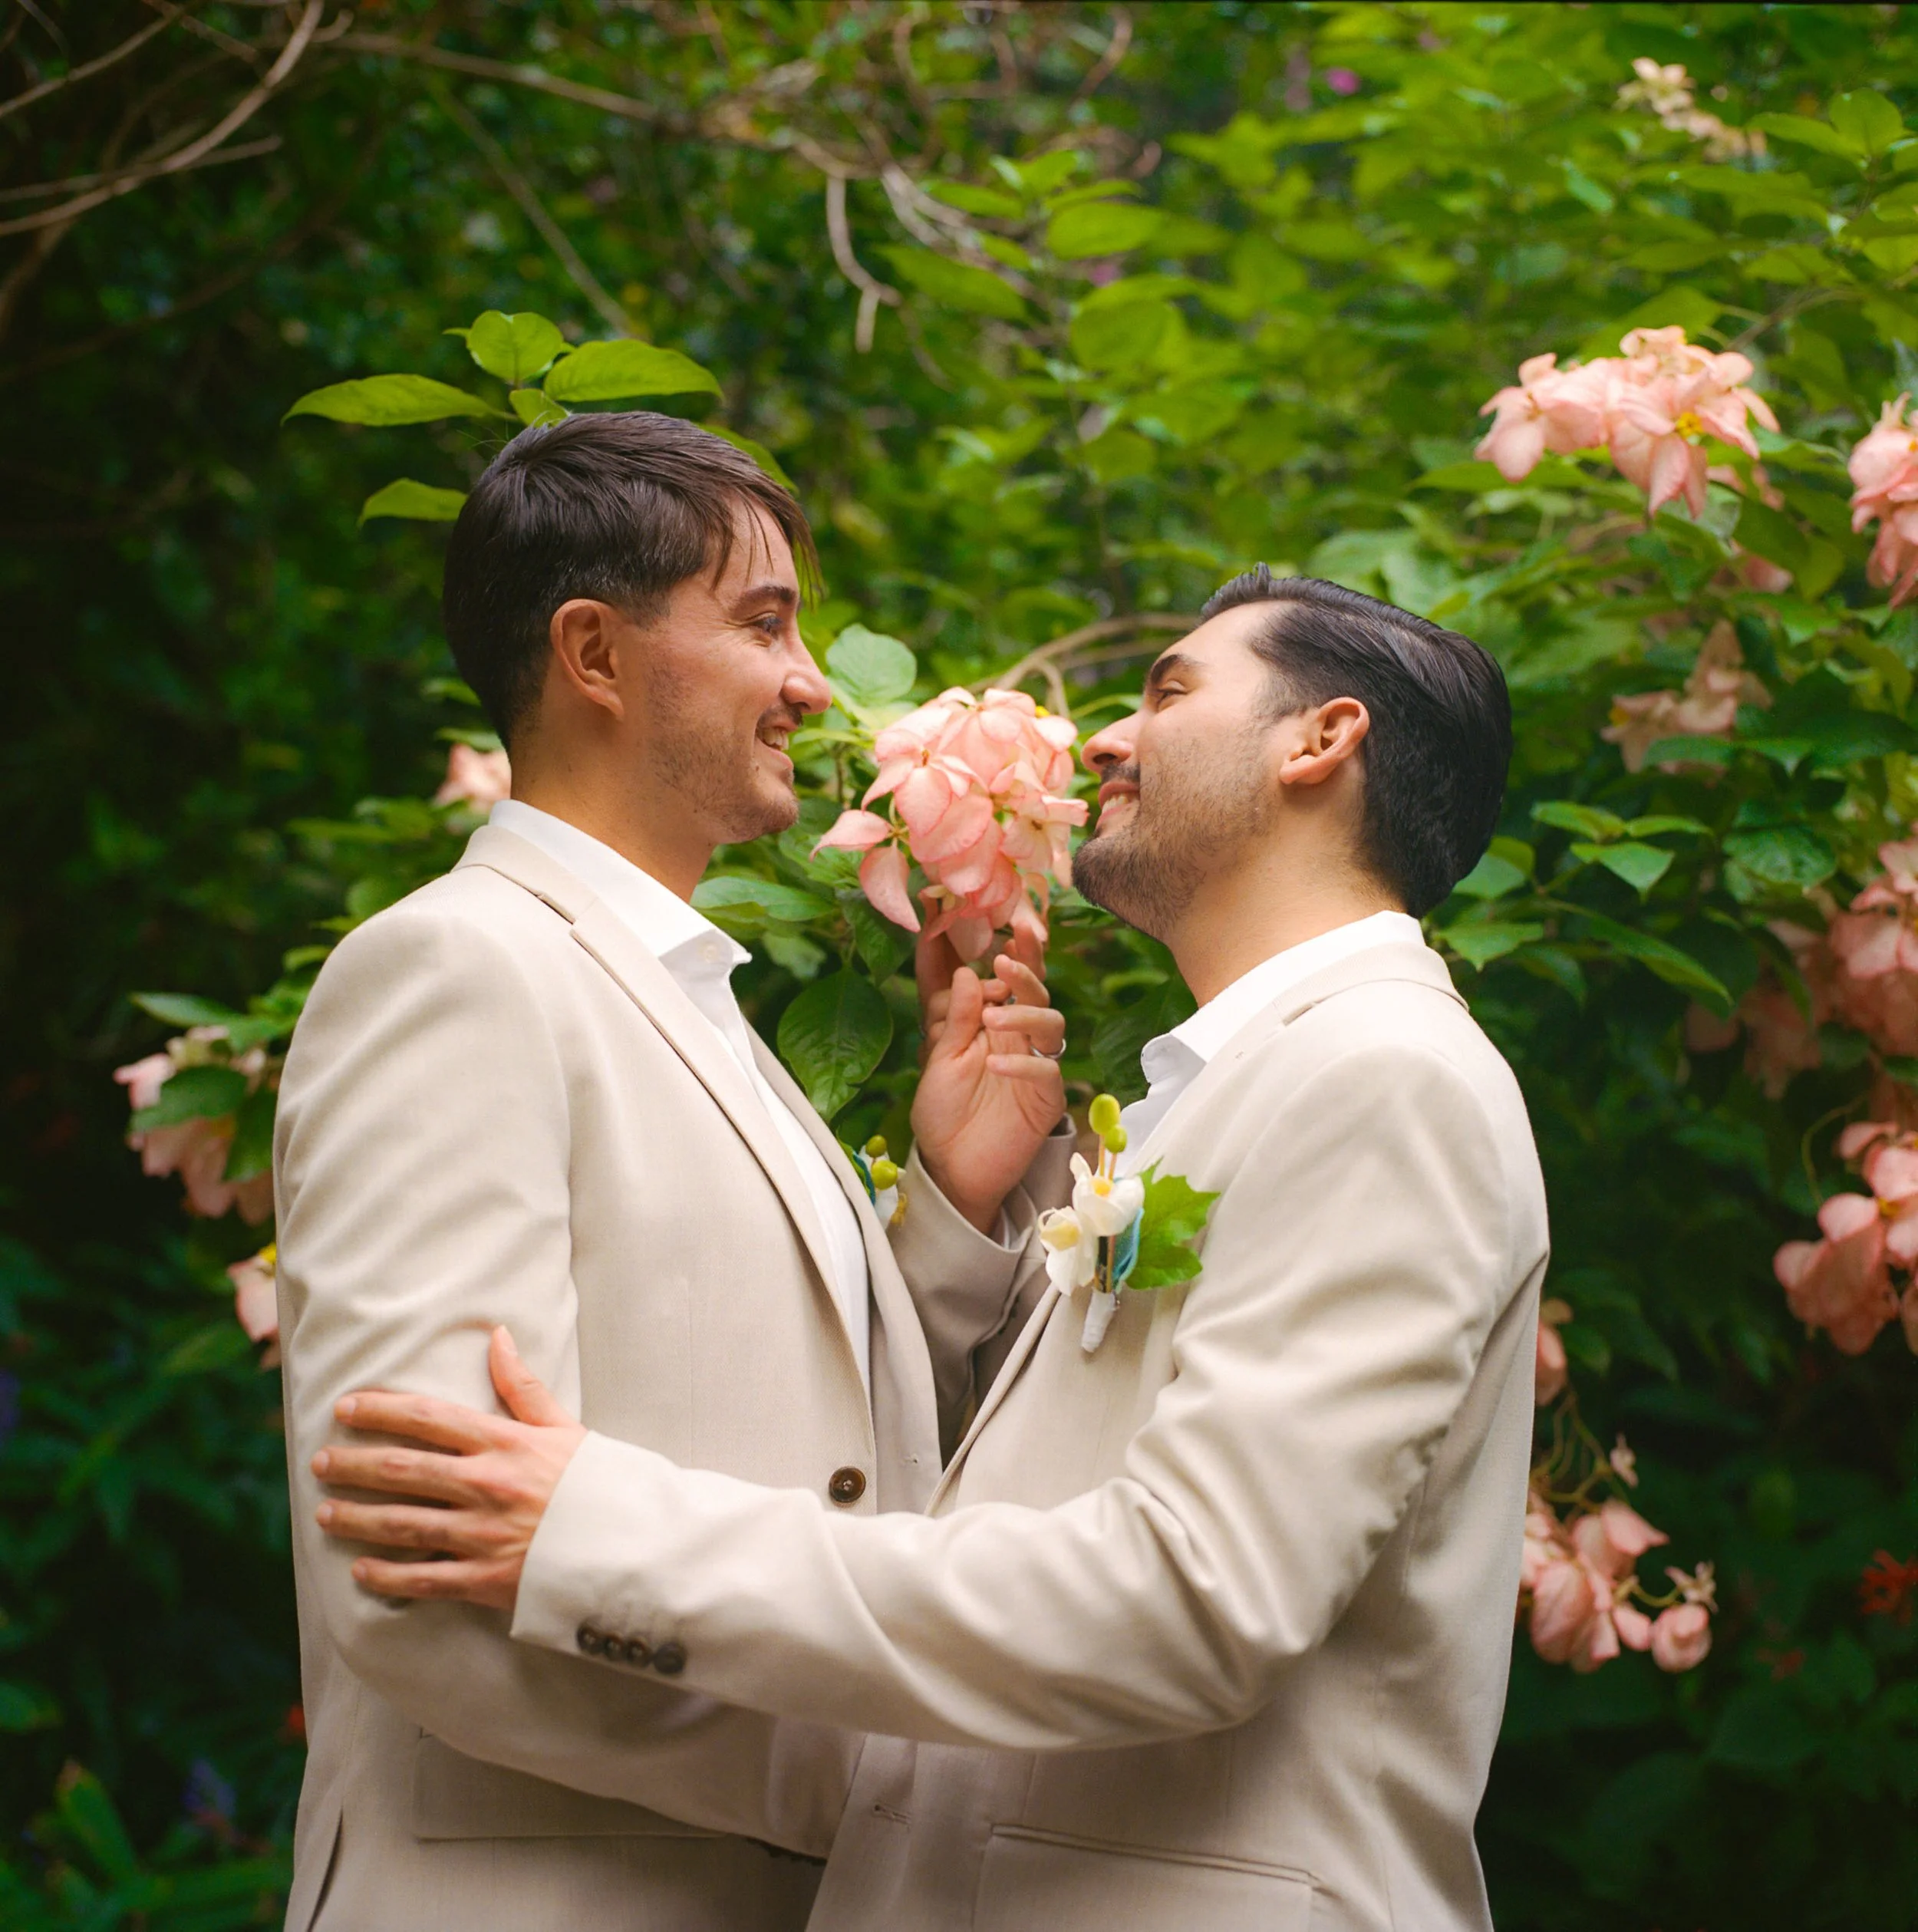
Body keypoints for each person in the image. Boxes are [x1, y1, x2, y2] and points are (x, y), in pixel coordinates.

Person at [317, 572, 1549, 1932]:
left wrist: (602, 1534)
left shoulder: (1386, 1077)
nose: (1105, 740)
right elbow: (996, 1501)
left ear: (1319, 740)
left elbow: (1198, 1593)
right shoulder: (1248, 1085)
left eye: (1171, 690)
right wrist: (972, 1216)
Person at [272, 410, 1066, 1932]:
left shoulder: (696, 995)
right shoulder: (456, 968)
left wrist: (954, 1212)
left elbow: (781, 1419)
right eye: (764, 622)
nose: (810, 681)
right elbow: (420, 1568)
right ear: (594, 653)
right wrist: (871, 1773)